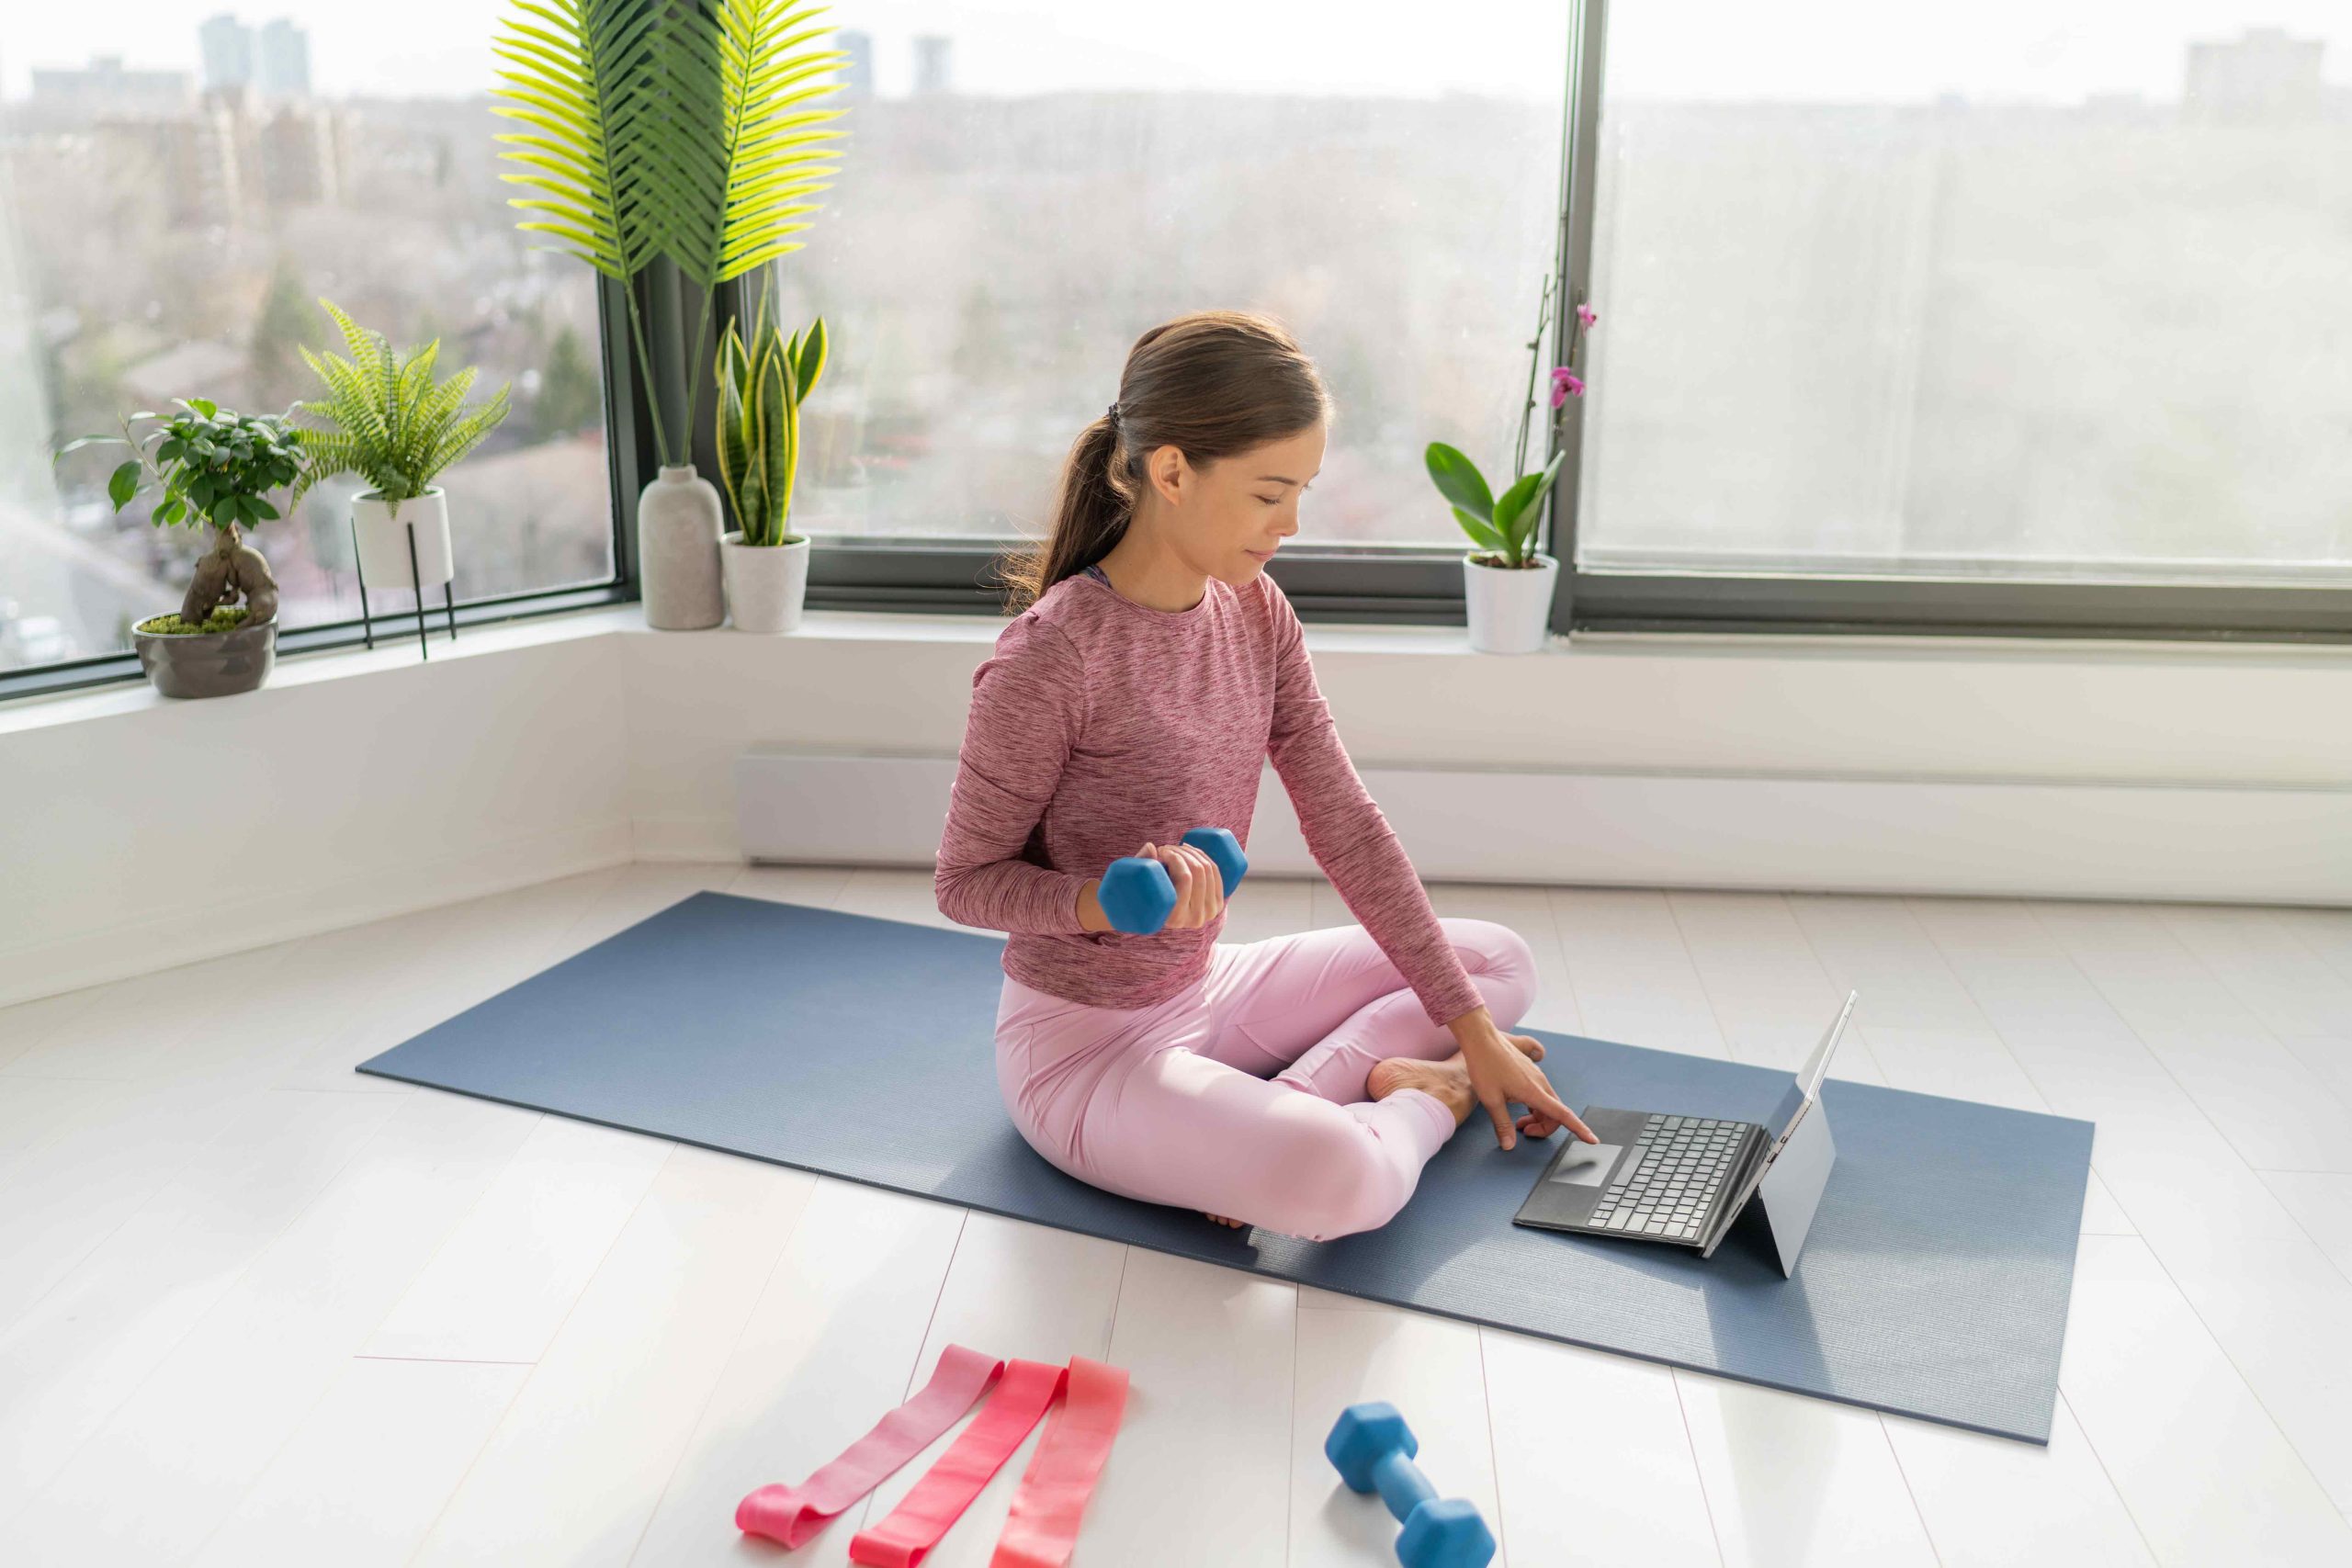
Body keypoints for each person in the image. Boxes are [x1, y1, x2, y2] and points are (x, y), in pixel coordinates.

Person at [934, 309, 1597, 1241]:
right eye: (1268, 493)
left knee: (1493, 966)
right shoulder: (1051, 657)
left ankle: (1303, 1096)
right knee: (1340, 1183)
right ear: (1171, 471)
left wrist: (1476, 1031)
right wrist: (1096, 905)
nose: (1289, 525)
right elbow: (963, 884)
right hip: (1083, 1048)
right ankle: (1423, 1099)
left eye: (1303, 492)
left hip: (1209, 988)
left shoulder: (1254, 611)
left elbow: (1344, 821)